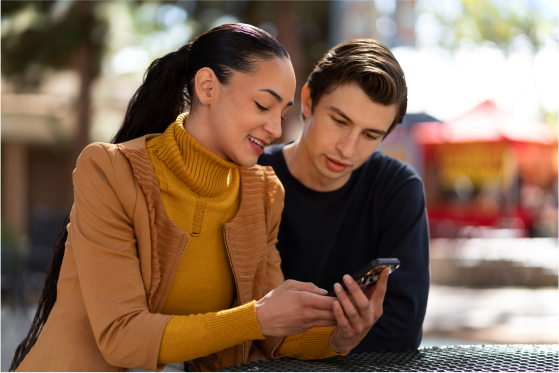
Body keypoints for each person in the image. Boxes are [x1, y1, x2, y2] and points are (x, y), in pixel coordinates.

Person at [10, 25, 390, 373]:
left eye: (283, 112)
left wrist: (339, 337)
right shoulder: (110, 171)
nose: (275, 128)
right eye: (263, 105)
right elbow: (121, 337)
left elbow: (271, 333)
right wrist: (254, 317)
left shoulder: (263, 193)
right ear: (207, 88)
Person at [258, 39, 430, 352]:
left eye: (370, 135)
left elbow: (401, 333)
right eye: (339, 121)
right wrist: (336, 335)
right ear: (308, 101)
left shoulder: (397, 188)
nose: (347, 149)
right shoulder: (250, 174)